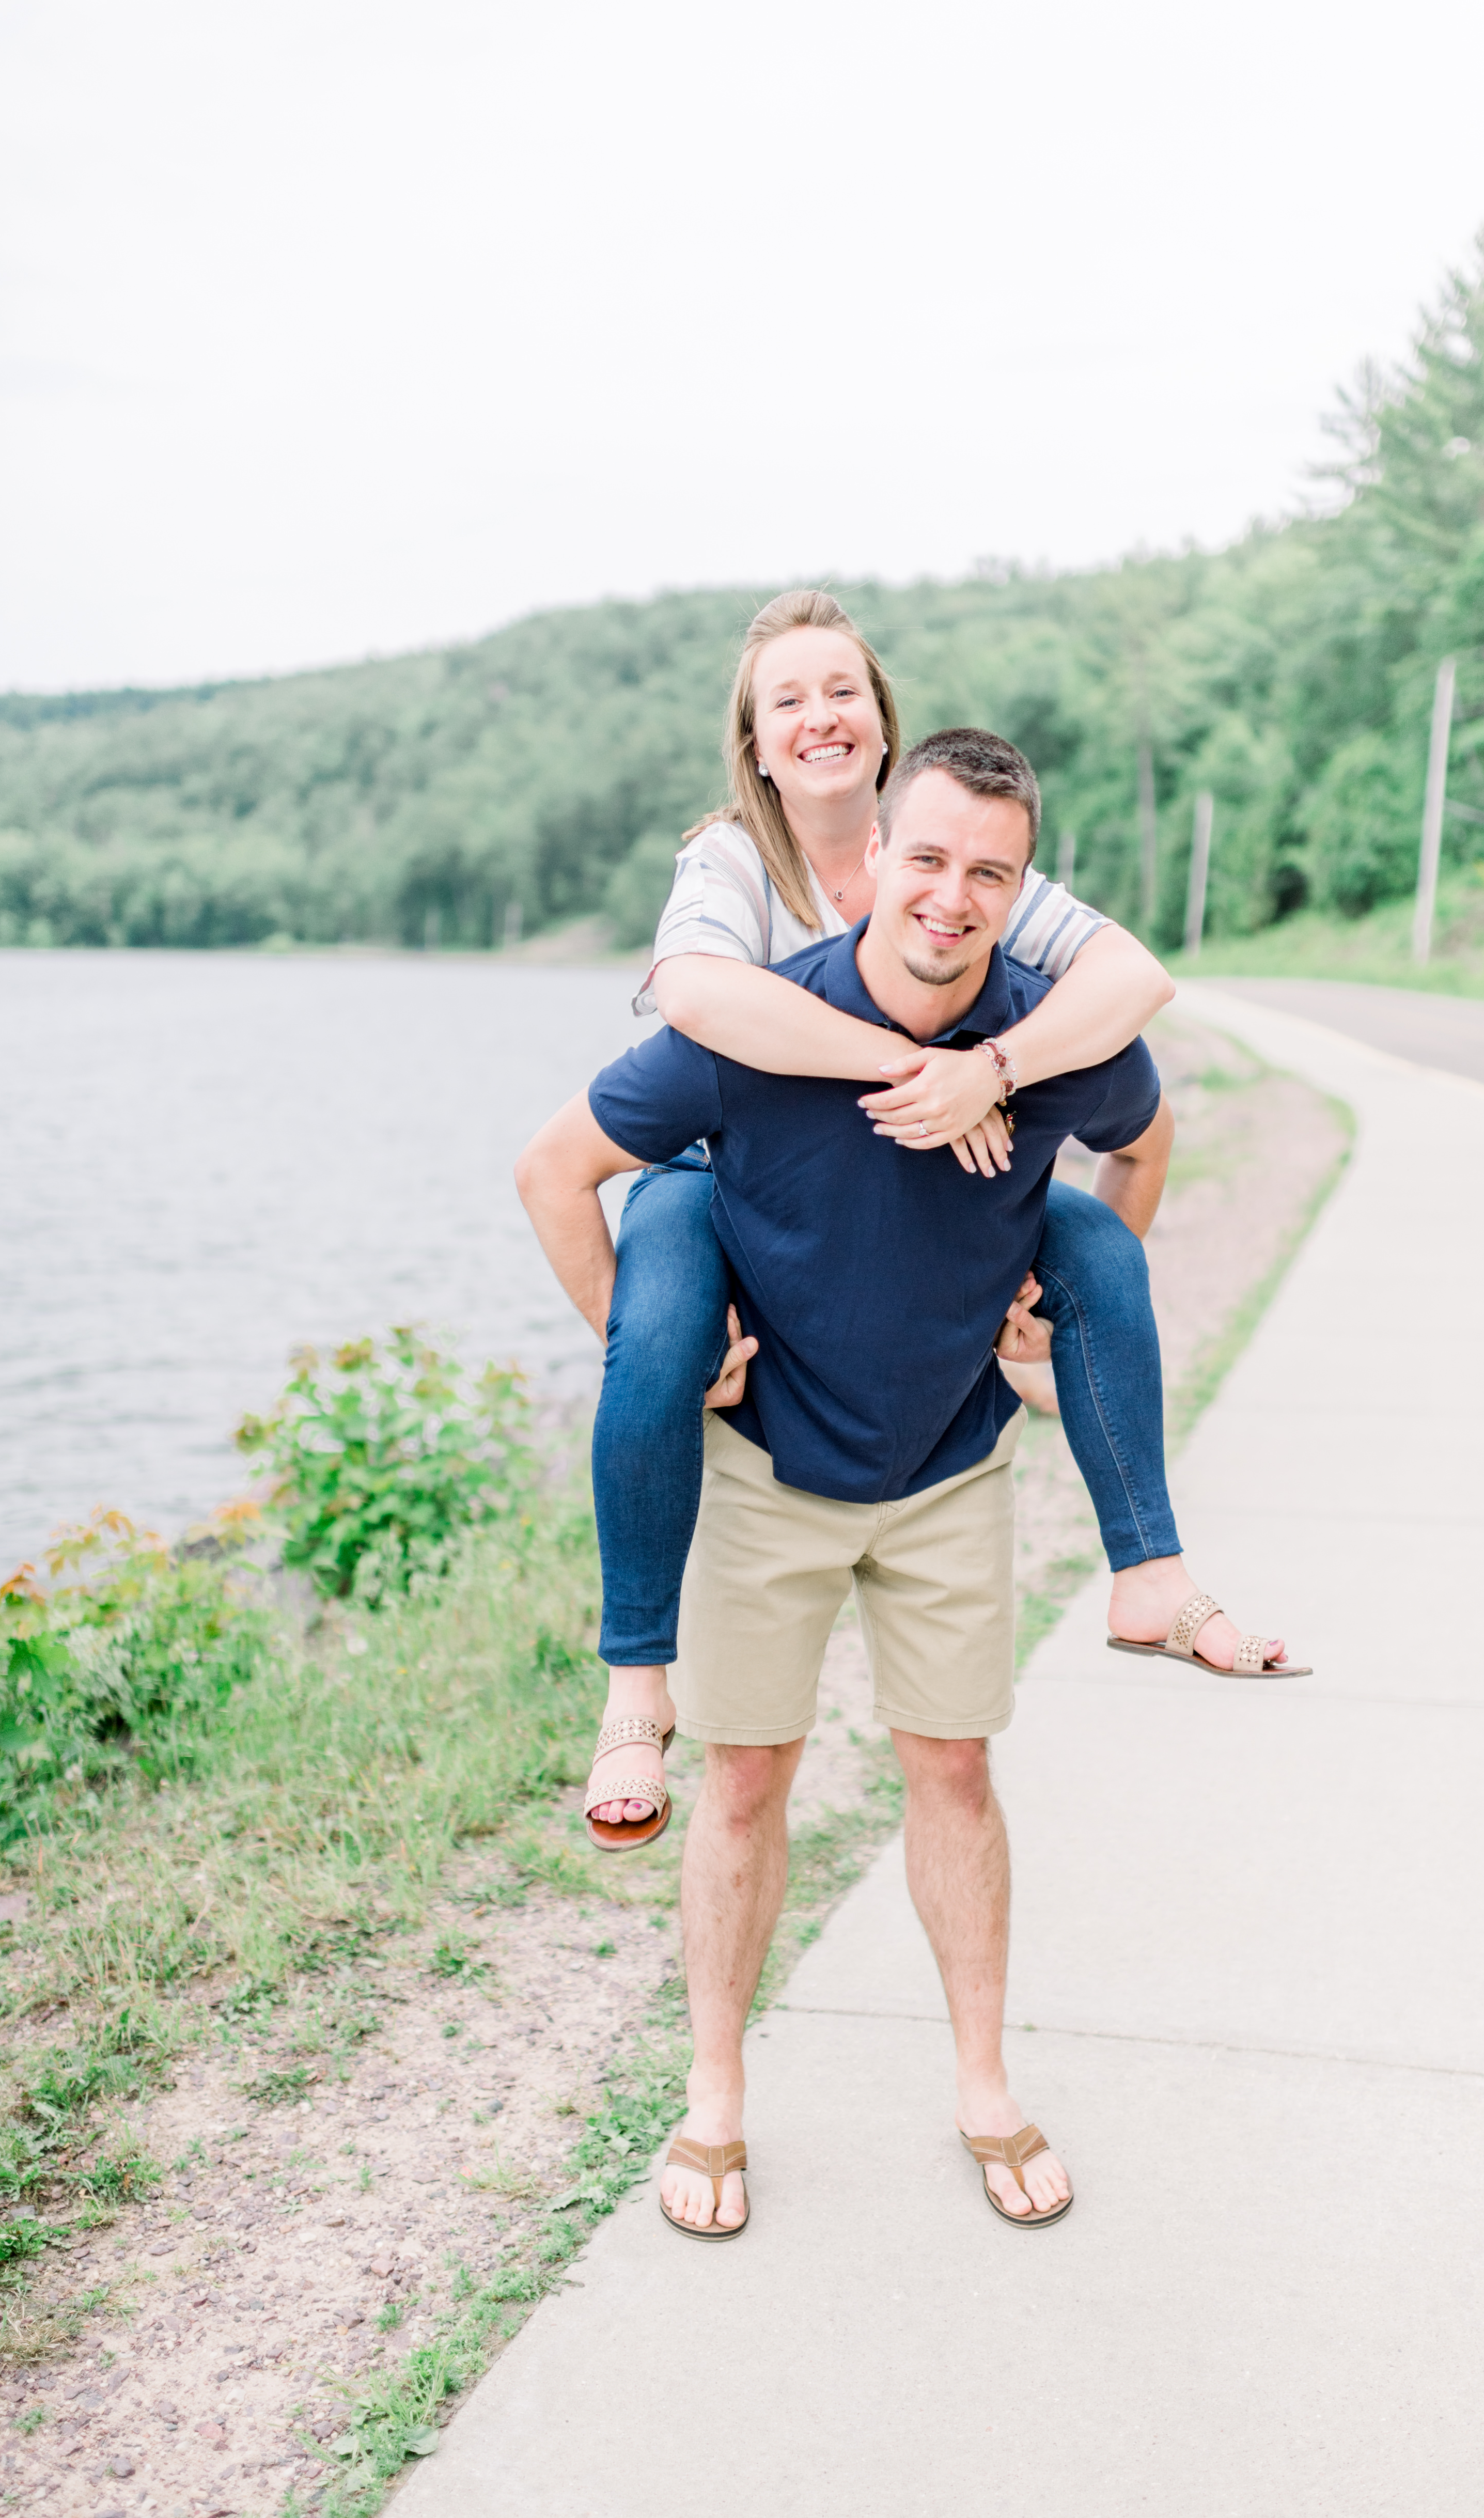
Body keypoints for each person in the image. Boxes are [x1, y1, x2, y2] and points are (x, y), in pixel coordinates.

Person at [516, 729, 1308, 2238]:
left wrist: (1042, 1326)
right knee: (747, 1780)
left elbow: (1143, 1150)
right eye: (927, 858)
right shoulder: (755, 1031)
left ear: (1023, 892)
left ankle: (985, 2091)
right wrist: (661, 1350)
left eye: (989, 875)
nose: (952, 896)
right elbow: (554, 1173)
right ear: (872, 857)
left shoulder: (1056, 1033)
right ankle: (714, 2103)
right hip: (769, 1472)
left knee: (954, 1772)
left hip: (949, 1465)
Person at [580, 590, 1300, 1844]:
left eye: (841, 690)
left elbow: (1134, 981)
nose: (818, 716)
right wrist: (918, 1069)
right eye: (785, 700)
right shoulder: (730, 860)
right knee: (652, 1321)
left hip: (923, 1179)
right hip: (726, 1166)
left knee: (1080, 1240)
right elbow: (696, 994)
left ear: (882, 718)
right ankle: (637, 1686)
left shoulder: (954, 844)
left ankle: (1150, 1571)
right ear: (754, 743)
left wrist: (999, 1071)